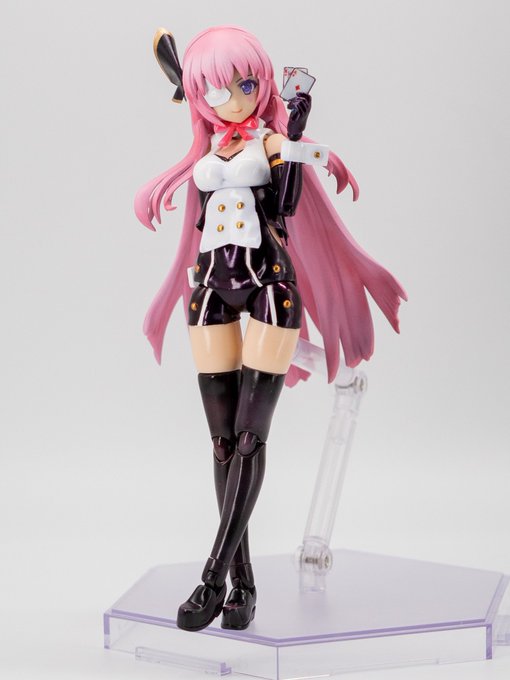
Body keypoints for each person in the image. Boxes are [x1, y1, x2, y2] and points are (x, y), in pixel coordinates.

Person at [135, 25, 406, 632]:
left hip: (269, 289)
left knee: (250, 439)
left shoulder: (275, 142)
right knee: (222, 443)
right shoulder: (207, 152)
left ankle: (212, 578)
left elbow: (283, 205)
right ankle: (246, 586)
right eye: (212, 88)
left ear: (260, 85)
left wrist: (297, 134)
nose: (229, 98)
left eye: (243, 84)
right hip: (210, 290)